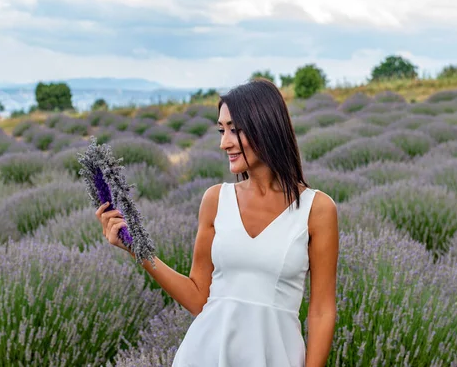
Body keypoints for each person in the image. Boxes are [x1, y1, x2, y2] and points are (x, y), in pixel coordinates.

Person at [96, 78, 339, 367]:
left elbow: (322, 310)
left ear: (266, 127)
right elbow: (200, 298)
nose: (224, 143)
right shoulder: (215, 200)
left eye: (234, 130)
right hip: (204, 354)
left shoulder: (317, 209)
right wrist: (139, 250)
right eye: (221, 130)